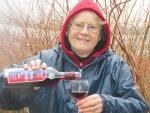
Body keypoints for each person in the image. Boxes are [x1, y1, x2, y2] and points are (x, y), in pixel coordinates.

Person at [0, 0, 149, 113]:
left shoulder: (116, 66)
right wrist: (24, 86)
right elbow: (4, 101)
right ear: (66, 30)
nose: (84, 32)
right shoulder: (43, 61)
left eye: (92, 27)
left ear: (100, 36)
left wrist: (107, 104)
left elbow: (139, 106)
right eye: (78, 25)